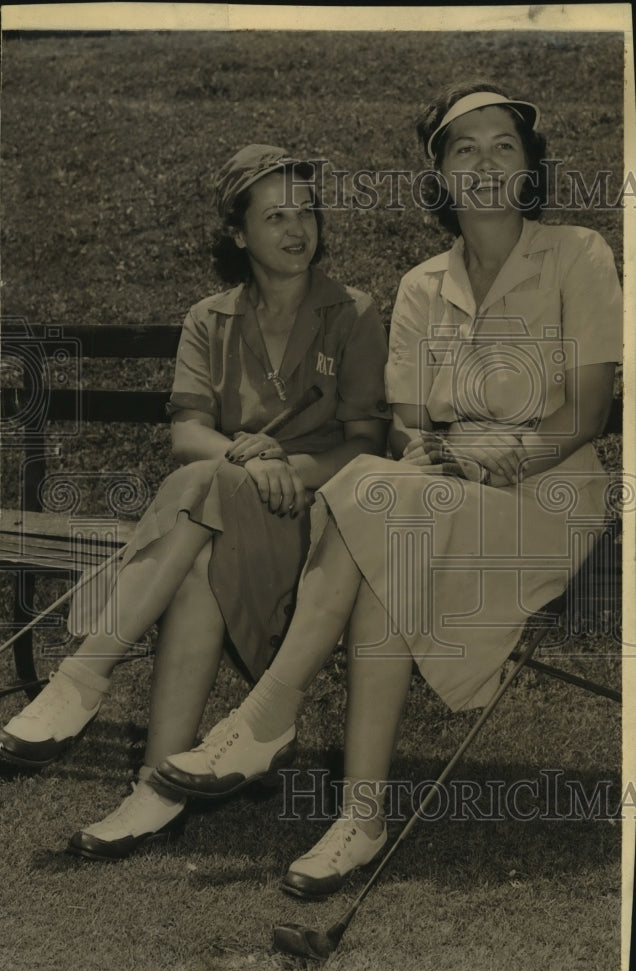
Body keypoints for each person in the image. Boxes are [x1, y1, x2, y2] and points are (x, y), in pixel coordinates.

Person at [153, 84, 622, 897]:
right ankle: (357, 817)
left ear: (528, 168)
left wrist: (491, 461)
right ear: (439, 174)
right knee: (385, 528)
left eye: (503, 145)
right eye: (463, 147)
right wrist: (432, 456)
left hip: (547, 497)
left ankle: (273, 717)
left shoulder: (579, 254)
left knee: (379, 503)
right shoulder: (420, 285)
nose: (484, 162)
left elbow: (585, 412)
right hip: (436, 497)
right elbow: (406, 425)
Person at [0, 144, 390, 860]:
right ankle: (158, 787)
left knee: (200, 497)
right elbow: (188, 433)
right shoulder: (210, 319)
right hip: (225, 512)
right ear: (239, 235)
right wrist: (246, 460)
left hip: (323, 537)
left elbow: (367, 445)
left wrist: (284, 467)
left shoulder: (354, 314)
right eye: (275, 217)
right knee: (201, 536)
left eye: (305, 212)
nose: (296, 229)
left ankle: (82, 678)